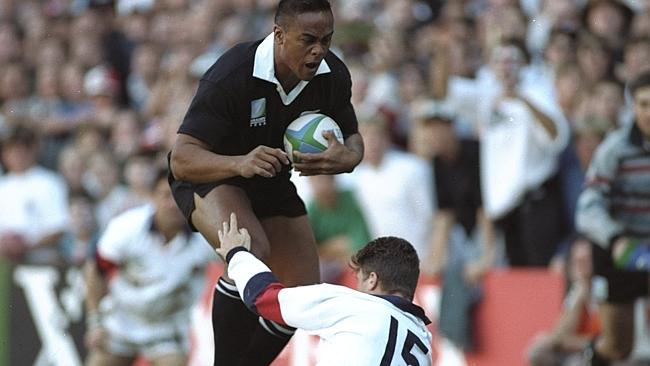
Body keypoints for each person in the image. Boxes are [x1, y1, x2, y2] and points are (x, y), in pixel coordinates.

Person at [167, 1, 364, 364]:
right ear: (279, 34)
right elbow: (181, 160)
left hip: (270, 178)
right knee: (248, 249)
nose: (319, 50)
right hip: (214, 174)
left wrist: (349, 158)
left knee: (303, 287)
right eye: (308, 39)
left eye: (326, 39)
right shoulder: (233, 74)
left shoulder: (332, 76)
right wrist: (239, 163)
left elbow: (353, 140)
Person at [216, 212, 433, 366]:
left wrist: (236, 254)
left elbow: (264, 298)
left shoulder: (357, 306)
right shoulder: (423, 345)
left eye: (358, 280)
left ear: (372, 280)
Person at [84, 170, 215, 366]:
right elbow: (96, 271)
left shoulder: (205, 239)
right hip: (121, 320)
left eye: (178, 196)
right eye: (165, 195)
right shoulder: (127, 227)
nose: (173, 204)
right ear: (153, 197)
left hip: (167, 327)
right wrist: (95, 322)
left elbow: (236, 266)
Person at [575, 71, 650, 365]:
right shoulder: (613, 150)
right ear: (633, 108)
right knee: (619, 345)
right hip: (620, 249)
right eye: (644, 104)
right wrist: (616, 238)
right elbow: (588, 207)